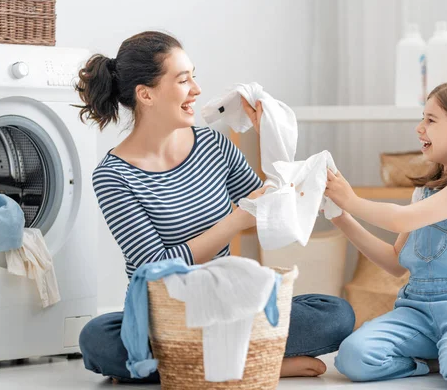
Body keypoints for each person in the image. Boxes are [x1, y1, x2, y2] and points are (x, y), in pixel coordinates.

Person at [75, 30, 355, 382]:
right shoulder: (114, 176)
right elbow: (155, 265)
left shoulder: (213, 145)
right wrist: (236, 220)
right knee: (98, 339)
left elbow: (269, 211)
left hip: (229, 302)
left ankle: (188, 367)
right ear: (145, 94)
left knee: (336, 314)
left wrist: (268, 137)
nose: (196, 89)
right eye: (182, 79)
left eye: (194, 75)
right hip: (167, 314)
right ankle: (257, 363)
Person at [326, 82, 447, 389]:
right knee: (352, 357)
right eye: (423, 118)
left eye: (431, 120)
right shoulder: (424, 192)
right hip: (417, 308)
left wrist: (352, 200)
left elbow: (400, 220)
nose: (419, 128)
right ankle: (433, 362)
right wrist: (342, 217)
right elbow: (396, 262)